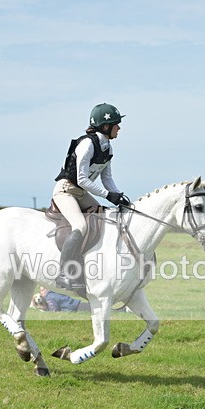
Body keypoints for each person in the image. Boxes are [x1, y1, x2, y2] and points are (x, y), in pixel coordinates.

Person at [52, 103, 131, 291]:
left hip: (81, 193)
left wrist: (118, 196)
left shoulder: (108, 148)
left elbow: (107, 178)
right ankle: (64, 273)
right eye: (116, 124)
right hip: (66, 190)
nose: (119, 128)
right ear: (106, 127)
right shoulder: (87, 144)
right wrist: (107, 195)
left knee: (105, 219)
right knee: (80, 225)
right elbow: (81, 179)